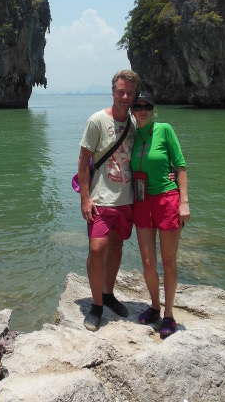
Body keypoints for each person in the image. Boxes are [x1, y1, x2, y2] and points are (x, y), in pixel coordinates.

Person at [78, 69, 140, 331]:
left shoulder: (136, 123)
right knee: (96, 250)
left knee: (116, 248)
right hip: (100, 199)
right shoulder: (97, 121)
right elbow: (83, 160)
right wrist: (85, 198)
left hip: (126, 200)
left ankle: (108, 294)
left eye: (129, 93)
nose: (125, 96)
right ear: (113, 92)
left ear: (134, 95)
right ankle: (95, 306)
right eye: (120, 92)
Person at [130, 90, 190, 338]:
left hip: (167, 199)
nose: (143, 110)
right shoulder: (131, 136)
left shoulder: (164, 130)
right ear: (132, 110)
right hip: (142, 201)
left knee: (168, 262)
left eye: (147, 106)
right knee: (147, 262)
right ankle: (154, 306)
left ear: (153, 109)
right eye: (138, 106)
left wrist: (184, 202)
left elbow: (180, 165)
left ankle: (169, 315)